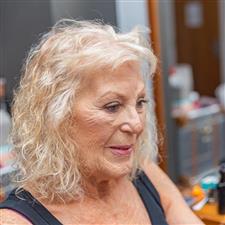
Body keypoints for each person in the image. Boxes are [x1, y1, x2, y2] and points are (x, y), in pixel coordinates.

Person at [0, 19, 203, 225]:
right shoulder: (15, 221)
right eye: (112, 106)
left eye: (140, 102)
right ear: (56, 115)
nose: (137, 125)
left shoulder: (143, 173)